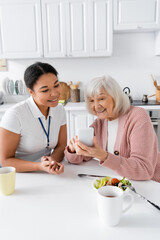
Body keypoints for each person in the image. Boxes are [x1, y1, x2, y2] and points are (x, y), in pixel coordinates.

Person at [65, 75, 160, 182]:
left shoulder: (138, 116)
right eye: (91, 101)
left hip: (151, 184)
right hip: (122, 183)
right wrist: (73, 150)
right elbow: (82, 158)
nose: (96, 106)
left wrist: (104, 156)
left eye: (101, 99)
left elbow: (143, 169)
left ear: (116, 97)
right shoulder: (99, 123)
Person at [0, 62, 67, 174]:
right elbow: (5, 161)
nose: (55, 93)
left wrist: (51, 162)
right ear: (31, 92)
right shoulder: (15, 115)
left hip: (46, 171)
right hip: (19, 174)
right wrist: (39, 166)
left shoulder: (59, 109)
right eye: (45, 90)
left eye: (56, 85)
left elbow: (61, 146)